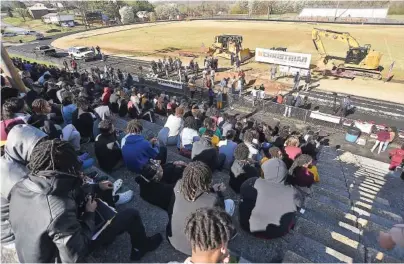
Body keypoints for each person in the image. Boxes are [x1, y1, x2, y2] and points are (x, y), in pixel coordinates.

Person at [9, 139, 162, 263]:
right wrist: (89, 214)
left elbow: (59, 194)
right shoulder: (59, 209)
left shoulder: (19, 187)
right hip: (56, 256)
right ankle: (140, 247)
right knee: (132, 214)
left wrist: (96, 187)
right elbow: (75, 255)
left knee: (105, 189)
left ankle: (110, 232)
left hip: (36, 250)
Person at [167, 161, 227, 255]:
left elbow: (195, 194)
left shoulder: (178, 185)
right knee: (230, 203)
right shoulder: (212, 200)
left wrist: (211, 190)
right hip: (195, 250)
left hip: (173, 239)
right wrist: (219, 194)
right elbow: (221, 215)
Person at [1, 125, 47, 247]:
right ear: (21, 147)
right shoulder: (17, 177)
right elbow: (42, 206)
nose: (42, 151)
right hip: (13, 235)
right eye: (36, 148)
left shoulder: (8, 160)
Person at [239, 158, 303, 239]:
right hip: (275, 232)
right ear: (285, 174)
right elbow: (298, 205)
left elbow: (243, 192)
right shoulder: (294, 193)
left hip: (246, 225)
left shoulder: (250, 182)